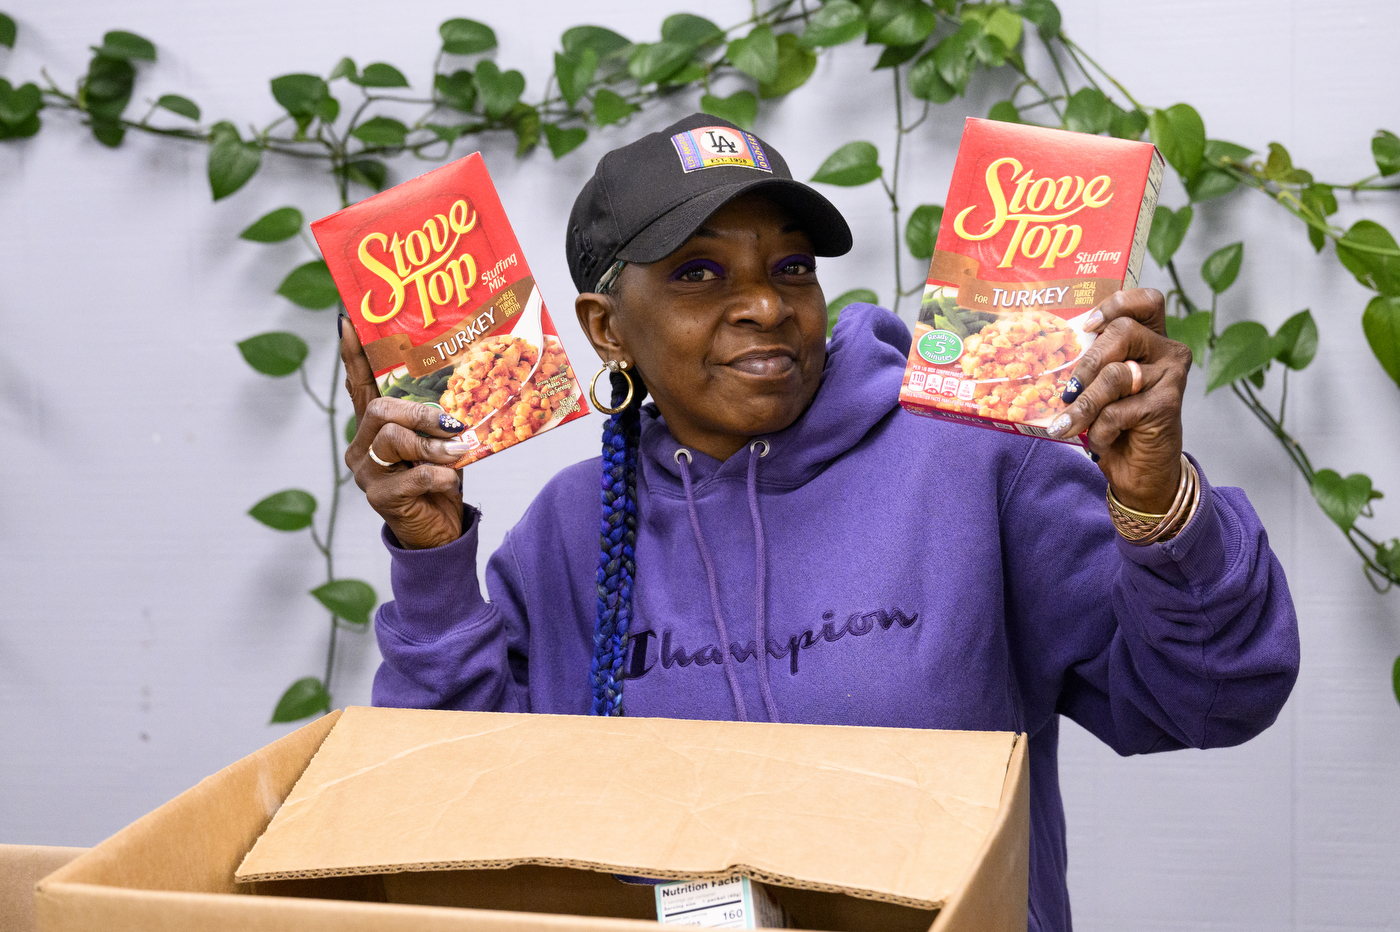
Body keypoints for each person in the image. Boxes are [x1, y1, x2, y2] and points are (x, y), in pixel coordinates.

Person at [338, 114, 1299, 932]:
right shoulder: (566, 536)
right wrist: (431, 559)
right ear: (606, 327)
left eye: (789, 267)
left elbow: (1210, 699)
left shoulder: (974, 461)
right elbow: (451, 831)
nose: (764, 305)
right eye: (698, 275)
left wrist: (1158, 504)